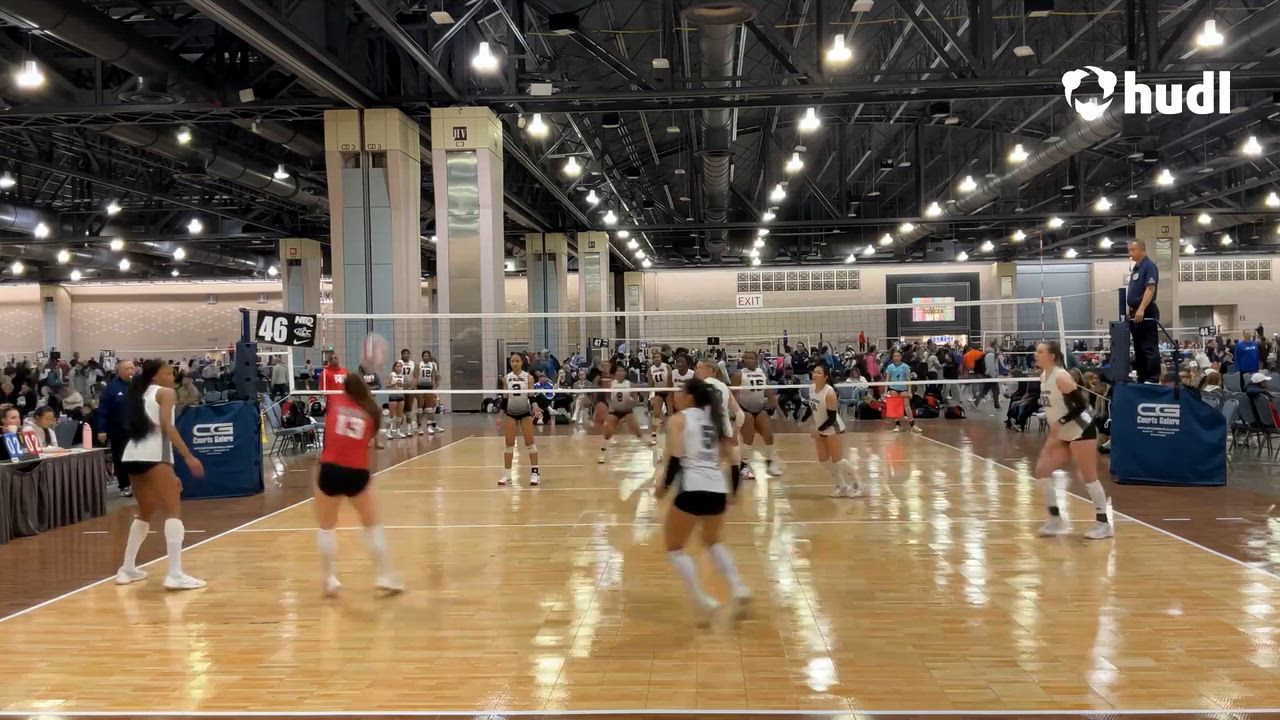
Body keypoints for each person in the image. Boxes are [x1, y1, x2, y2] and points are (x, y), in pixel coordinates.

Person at [654, 376, 752, 626]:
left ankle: (702, 599)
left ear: (689, 397)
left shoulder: (679, 419)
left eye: (680, 391)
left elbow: (676, 459)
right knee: (713, 541)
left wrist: (663, 488)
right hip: (716, 489)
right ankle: (739, 586)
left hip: (692, 487)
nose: (675, 395)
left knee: (675, 546)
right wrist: (734, 490)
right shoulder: (714, 420)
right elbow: (733, 460)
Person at [115, 359, 208, 590]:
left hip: (132, 456)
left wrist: (169, 471)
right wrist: (188, 456)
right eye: (167, 373)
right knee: (173, 511)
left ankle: (127, 569)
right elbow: (167, 427)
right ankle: (175, 573)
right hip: (155, 455)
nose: (172, 377)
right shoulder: (166, 393)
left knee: (145, 513)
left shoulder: (138, 393)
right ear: (155, 376)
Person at [314, 372, 403, 596]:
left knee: (326, 527)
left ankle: (329, 579)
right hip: (357, 472)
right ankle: (385, 575)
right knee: (372, 525)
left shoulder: (335, 402)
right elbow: (372, 441)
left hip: (330, 469)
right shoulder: (371, 413)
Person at [1032, 342, 1113, 540]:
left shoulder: (1061, 376)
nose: (1036, 354)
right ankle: (1055, 520)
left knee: (1088, 476)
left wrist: (1061, 422)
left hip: (1081, 429)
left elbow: (1082, 406)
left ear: (1052, 356)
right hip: (1062, 433)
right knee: (1042, 472)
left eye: (1040, 351)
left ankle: (1103, 524)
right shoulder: (1043, 377)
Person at [809, 361, 864, 498]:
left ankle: (858, 483)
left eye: (818, 372)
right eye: (814, 372)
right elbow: (813, 408)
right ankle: (841, 485)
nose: (815, 374)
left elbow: (832, 417)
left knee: (838, 460)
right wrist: (805, 421)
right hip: (820, 427)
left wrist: (819, 430)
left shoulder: (829, 392)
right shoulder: (811, 388)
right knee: (823, 460)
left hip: (832, 427)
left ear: (826, 377)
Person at [733, 350, 783, 476]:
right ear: (744, 360)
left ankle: (769, 463)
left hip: (760, 408)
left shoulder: (761, 372)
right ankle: (744, 466)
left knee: (769, 436)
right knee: (748, 439)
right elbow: (733, 394)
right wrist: (737, 410)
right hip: (745, 409)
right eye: (747, 358)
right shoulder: (739, 374)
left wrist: (772, 401)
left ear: (756, 360)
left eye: (752, 358)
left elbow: (767, 390)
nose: (749, 360)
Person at [96, 359, 136, 497]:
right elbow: (103, 410)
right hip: (118, 430)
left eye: (132, 368)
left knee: (137, 458)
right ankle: (124, 485)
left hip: (136, 430)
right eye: (127, 368)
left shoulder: (138, 386)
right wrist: (102, 430)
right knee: (121, 458)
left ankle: (138, 483)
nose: (130, 371)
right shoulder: (111, 388)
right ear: (119, 371)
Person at [499, 352, 540, 486]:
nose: (515, 363)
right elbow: (504, 400)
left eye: (517, 361)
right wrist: (500, 416)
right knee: (509, 445)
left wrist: (535, 408)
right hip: (511, 413)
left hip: (524, 413)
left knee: (530, 443)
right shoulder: (506, 378)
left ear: (522, 363)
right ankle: (507, 475)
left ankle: (535, 473)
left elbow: (532, 397)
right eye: (512, 361)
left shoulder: (529, 377)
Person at [1126, 239, 1161, 383]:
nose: (1130, 253)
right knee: (1138, 347)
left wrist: (1141, 308)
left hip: (1146, 311)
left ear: (1142, 250)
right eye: (1129, 250)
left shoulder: (1149, 266)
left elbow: (1150, 289)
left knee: (1148, 346)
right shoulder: (1136, 268)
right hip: (1135, 312)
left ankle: (1152, 378)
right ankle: (1142, 376)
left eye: (1133, 250)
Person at [598, 363, 643, 464]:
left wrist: (632, 401)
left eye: (622, 371)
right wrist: (610, 406)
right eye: (618, 371)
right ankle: (602, 455)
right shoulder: (611, 384)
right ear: (615, 374)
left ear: (625, 373)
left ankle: (653, 451)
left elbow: (636, 399)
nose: (620, 373)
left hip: (627, 411)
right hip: (615, 411)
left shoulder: (630, 384)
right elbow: (608, 397)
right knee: (608, 432)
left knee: (637, 432)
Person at [883, 350, 922, 433]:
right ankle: (898, 426)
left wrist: (910, 392)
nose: (896, 357)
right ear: (893, 358)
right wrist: (885, 391)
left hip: (903, 389)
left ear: (901, 357)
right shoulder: (890, 367)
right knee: (896, 407)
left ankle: (913, 425)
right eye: (895, 356)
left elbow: (908, 380)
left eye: (898, 356)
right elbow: (887, 380)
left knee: (907, 407)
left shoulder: (905, 367)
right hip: (893, 388)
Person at [647, 350, 673, 446]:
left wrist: (670, 392)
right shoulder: (650, 369)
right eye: (655, 357)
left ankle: (671, 433)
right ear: (653, 359)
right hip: (658, 391)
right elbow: (650, 384)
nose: (657, 359)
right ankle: (654, 435)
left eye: (658, 357)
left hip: (667, 391)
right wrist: (651, 395)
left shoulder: (667, 366)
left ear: (661, 358)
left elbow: (670, 380)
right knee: (656, 413)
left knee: (670, 412)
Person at [415, 350, 443, 435]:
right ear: (422, 357)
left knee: (430, 408)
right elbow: (416, 377)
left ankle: (429, 426)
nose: (426, 357)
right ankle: (419, 426)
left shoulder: (432, 365)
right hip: (420, 386)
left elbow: (433, 377)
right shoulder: (419, 364)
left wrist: (434, 388)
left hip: (429, 387)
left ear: (429, 357)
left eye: (427, 356)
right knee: (420, 408)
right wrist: (415, 388)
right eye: (424, 356)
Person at [386, 361, 408, 438]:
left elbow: (404, 386)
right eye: (397, 366)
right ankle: (388, 432)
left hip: (401, 395)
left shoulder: (402, 376)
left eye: (400, 366)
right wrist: (393, 384)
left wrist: (403, 385)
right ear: (394, 367)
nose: (399, 368)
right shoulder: (392, 374)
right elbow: (387, 385)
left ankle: (398, 432)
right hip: (393, 395)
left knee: (399, 415)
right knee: (391, 415)